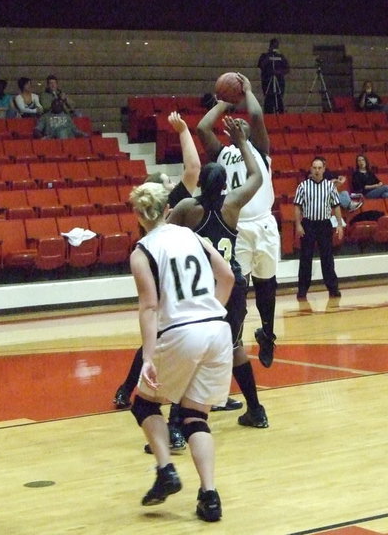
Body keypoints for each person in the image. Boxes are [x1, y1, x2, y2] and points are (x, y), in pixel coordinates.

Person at [128, 181, 234, 522]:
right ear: (168, 210)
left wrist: (147, 357)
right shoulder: (192, 236)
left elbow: (149, 307)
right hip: (218, 328)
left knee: (144, 403)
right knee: (195, 416)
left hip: (181, 331)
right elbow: (228, 277)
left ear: (138, 216)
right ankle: (210, 495)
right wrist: (209, 311)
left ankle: (166, 470)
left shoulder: (142, 251)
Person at [169, 116, 269, 429]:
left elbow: (164, 240)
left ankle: (175, 425)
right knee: (235, 345)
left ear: (200, 183)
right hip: (233, 286)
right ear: (225, 185)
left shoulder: (187, 208)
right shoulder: (233, 205)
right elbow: (257, 177)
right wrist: (242, 142)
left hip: (201, 290)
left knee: (189, 350)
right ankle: (256, 410)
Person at [197, 73, 280, 370]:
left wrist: (246, 91)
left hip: (265, 224)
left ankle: (268, 333)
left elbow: (256, 114)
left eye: (244, 124)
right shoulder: (220, 153)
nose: (242, 122)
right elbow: (202, 127)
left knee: (267, 284)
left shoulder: (258, 149)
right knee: (239, 288)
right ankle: (237, 339)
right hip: (236, 230)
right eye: (238, 122)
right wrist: (223, 102)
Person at [294, 156, 345, 300]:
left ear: (324, 169)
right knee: (305, 258)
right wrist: (298, 224)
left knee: (327, 258)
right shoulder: (303, 186)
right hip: (308, 224)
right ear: (311, 169)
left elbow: (336, 206)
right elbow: (297, 206)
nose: (317, 170)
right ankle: (302, 290)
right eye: (314, 168)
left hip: (324, 224)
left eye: (319, 168)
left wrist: (339, 225)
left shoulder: (330, 187)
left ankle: (333, 288)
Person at [257, 38, 289, 114]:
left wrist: (278, 72)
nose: (276, 48)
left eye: (277, 46)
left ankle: (280, 117)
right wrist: (270, 55)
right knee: (268, 102)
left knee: (279, 100)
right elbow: (261, 65)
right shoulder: (264, 56)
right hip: (268, 82)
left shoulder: (281, 57)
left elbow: (287, 69)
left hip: (279, 82)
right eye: (274, 46)